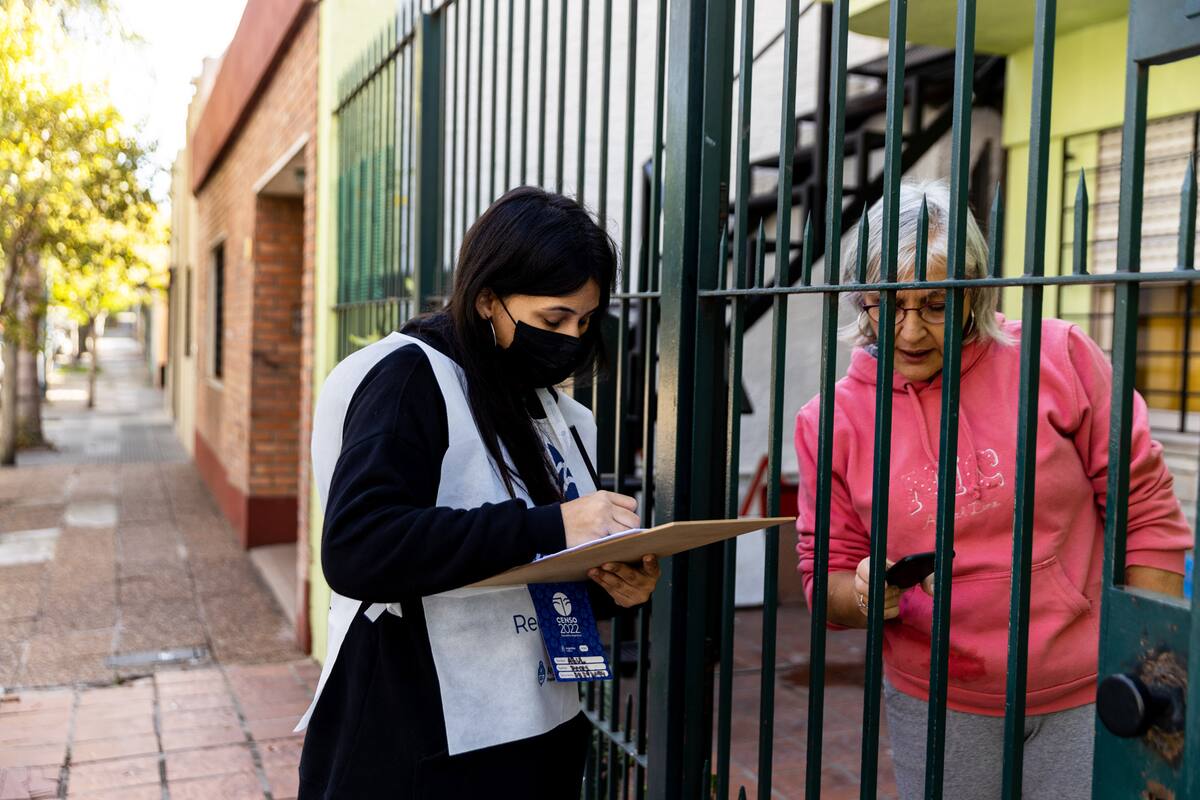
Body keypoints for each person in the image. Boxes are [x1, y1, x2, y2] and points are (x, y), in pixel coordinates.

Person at [794, 180, 1189, 799]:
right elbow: (826, 578)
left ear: (974, 293)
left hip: (1087, 687)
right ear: (858, 300)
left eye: (935, 305)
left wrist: (1150, 664)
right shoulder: (830, 421)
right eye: (887, 305)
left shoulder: (1058, 359)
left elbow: (1146, 511)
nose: (910, 332)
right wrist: (868, 594)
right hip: (937, 698)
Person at [297, 187, 660, 798]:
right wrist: (553, 525)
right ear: (488, 298)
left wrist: (615, 586)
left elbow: (542, 563)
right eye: (553, 319)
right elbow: (358, 546)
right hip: (418, 741)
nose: (571, 339)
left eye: (585, 321)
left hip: (539, 729)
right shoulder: (410, 378)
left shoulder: (552, 407)